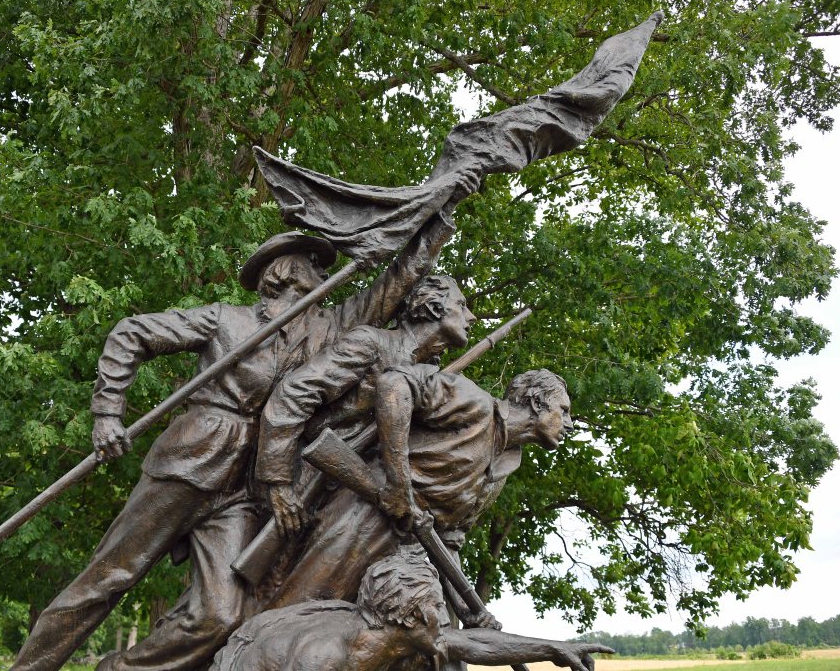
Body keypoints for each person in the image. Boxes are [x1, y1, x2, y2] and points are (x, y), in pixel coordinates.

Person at [11, 212, 461, 671]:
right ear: (282, 269)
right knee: (109, 577)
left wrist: (441, 215)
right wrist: (108, 412)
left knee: (219, 617)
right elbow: (133, 332)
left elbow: (396, 282)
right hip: (192, 459)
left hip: (247, 489)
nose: (323, 269)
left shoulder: (330, 328)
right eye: (312, 260)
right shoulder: (226, 320)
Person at [265, 367, 573, 622]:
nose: (569, 424)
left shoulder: (504, 469)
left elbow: (448, 540)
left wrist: (466, 607)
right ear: (537, 403)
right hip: (364, 521)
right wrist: (399, 485)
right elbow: (395, 383)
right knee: (300, 619)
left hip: (410, 563)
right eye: (564, 411)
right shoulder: (474, 403)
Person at [255, 274, 478, 537]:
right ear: (433, 306)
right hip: (305, 481)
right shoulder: (371, 343)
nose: (471, 317)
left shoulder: (429, 378)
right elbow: (294, 394)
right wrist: (278, 483)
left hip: (359, 493)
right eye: (461, 305)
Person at [211, 549, 612, 671]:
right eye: (436, 606)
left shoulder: (386, 634)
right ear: (408, 616)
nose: (445, 616)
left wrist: (554, 648)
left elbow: (475, 644)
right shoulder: (324, 659)